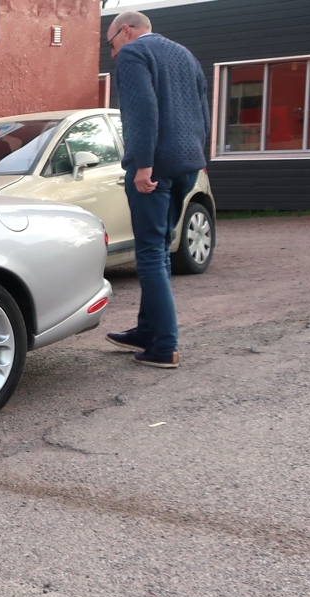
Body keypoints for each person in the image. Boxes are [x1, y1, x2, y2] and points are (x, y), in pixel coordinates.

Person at [104, 10, 209, 369]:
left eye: (111, 43)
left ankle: (165, 346)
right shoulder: (185, 54)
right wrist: (199, 157)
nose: (113, 53)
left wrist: (143, 164)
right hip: (186, 166)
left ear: (126, 30)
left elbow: (141, 111)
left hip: (154, 169)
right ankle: (147, 332)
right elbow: (202, 111)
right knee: (161, 248)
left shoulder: (135, 53)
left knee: (149, 254)